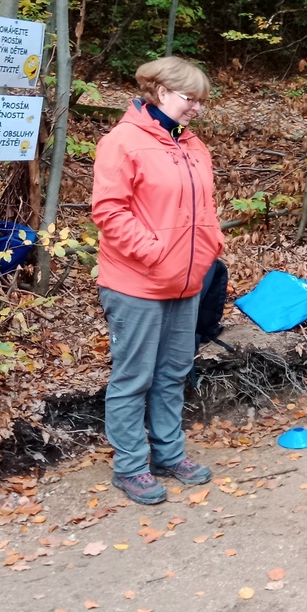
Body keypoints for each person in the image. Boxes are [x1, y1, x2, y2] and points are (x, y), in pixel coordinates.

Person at [91, 56, 224, 505]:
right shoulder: (122, 142)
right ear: (161, 92)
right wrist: (155, 253)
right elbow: (109, 211)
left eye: (202, 101)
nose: (197, 108)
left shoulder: (193, 145)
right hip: (136, 284)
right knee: (134, 377)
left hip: (186, 282)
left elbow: (204, 208)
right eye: (191, 99)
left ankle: (169, 453)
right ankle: (130, 467)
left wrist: (210, 246)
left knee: (172, 373)